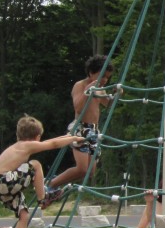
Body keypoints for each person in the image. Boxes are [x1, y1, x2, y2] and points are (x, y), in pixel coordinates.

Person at [0, 115, 82, 228]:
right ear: (37, 136)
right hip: (5, 180)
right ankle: (43, 198)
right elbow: (52, 143)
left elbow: (51, 141)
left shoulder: (19, 146)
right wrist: (74, 139)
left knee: (24, 215)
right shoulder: (26, 145)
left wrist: (69, 136)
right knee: (35, 165)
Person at [47, 55, 116, 192]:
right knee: (82, 168)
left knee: (89, 172)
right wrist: (88, 91)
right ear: (91, 73)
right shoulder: (80, 85)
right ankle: (51, 184)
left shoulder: (100, 88)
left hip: (94, 131)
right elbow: (78, 107)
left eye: (107, 77)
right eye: (101, 76)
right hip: (81, 128)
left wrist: (115, 95)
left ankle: (59, 185)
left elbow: (108, 104)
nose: (104, 80)